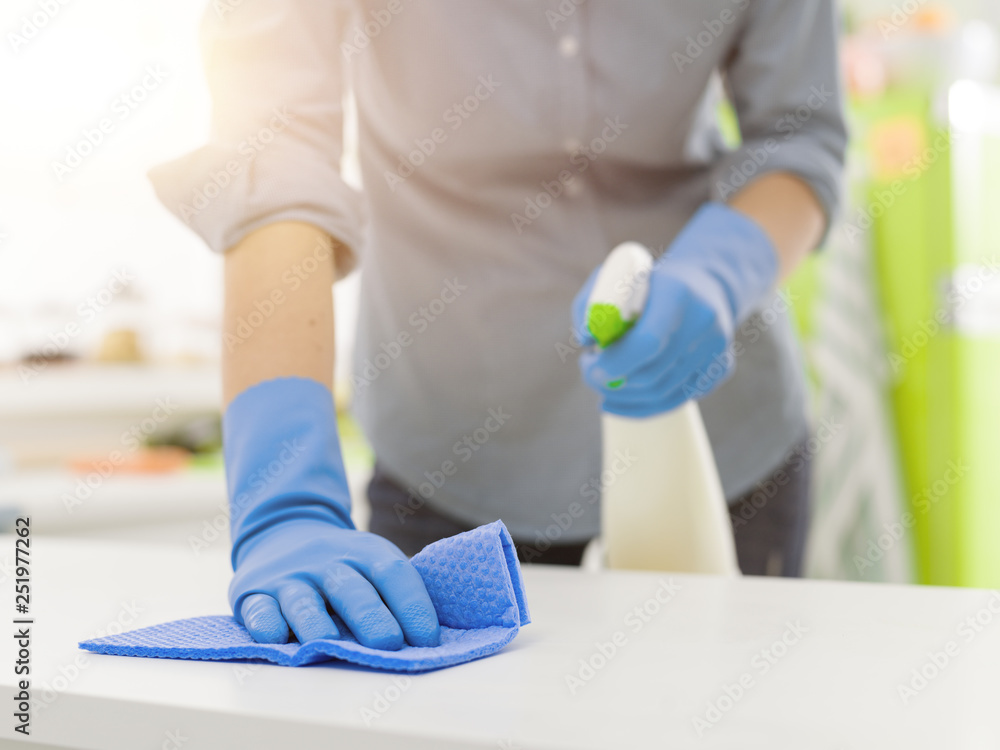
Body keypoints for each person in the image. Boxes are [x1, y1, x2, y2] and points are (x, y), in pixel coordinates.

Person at [151, 0, 846, 647]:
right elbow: (274, 157)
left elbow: (798, 138)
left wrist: (719, 276)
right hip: (451, 464)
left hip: (718, 443)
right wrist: (285, 498)